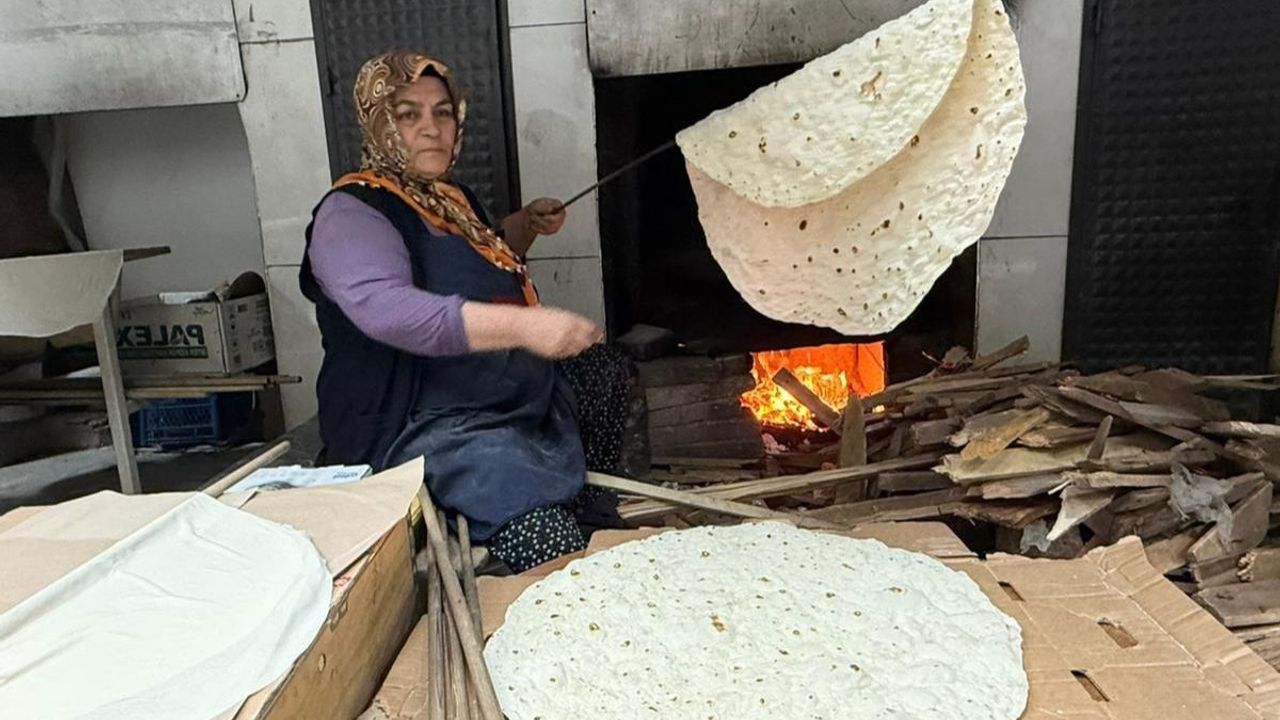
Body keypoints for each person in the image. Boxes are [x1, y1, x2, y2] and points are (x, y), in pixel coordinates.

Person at [300, 51, 626, 573]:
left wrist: (522, 226)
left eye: (443, 112)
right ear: (380, 119)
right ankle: (522, 531)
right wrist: (528, 326)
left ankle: (576, 497)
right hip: (422, 423)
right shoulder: (352, 211)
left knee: (603, 368)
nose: (431, 129)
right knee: (548, 537)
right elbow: (388, 311)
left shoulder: (448, 197)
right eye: (409, 114)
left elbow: (478, 260)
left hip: (500, 398)